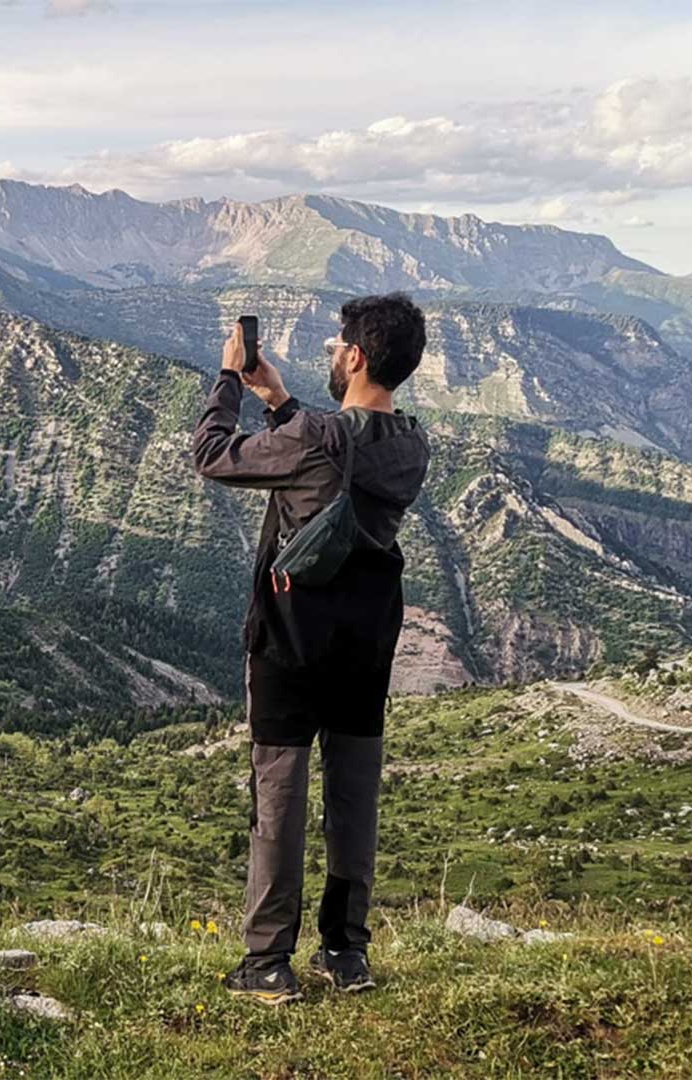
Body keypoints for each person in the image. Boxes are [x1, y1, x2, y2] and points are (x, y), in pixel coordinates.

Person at [192, 293, 432, 1004]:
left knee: (281, 795)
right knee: (354, 794)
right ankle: (346, 952)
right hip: (367, 640)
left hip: (291, 639)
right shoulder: (413, 444)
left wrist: (232, 380)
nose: (331, 352)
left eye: (336, 345)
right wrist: (282, 399)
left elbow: (212, 456)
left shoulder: (319, 438)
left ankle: (267, 961)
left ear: (356, 357)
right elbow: (334, 454)